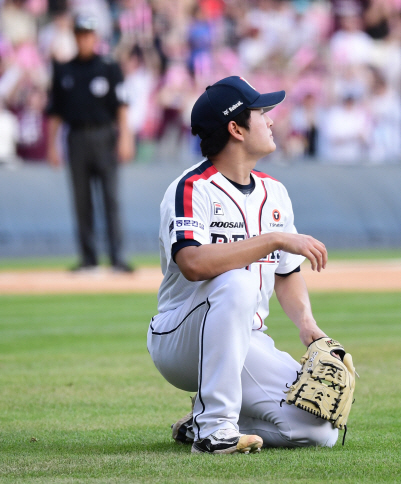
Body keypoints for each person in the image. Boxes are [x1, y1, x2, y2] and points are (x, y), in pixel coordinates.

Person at [147, 76, 338, 454]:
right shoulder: (192, 187)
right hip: (182, 338)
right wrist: (273, 239)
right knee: (238, 282)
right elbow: (192, 263)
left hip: (245, 339)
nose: (270, 120)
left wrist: (307, 325)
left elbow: (286, 272)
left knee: (319, 429)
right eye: (261, 112)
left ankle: (206, 420)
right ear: (235, 128)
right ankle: (213, 431)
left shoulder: (275, 192)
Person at [46, 14, 135, 272]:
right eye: (80, 34)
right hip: (76, 137)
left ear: (95, 37)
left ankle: (117, 256)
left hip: (104, 136)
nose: (84, 38)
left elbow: (121, 106)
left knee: (111, 198)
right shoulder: (64, 70)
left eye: (88, 34)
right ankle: (88, 257)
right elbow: (55, 113)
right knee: (81, 200)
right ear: (75, 37)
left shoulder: (109, 66)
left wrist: (126, 138)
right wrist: (52, 145)